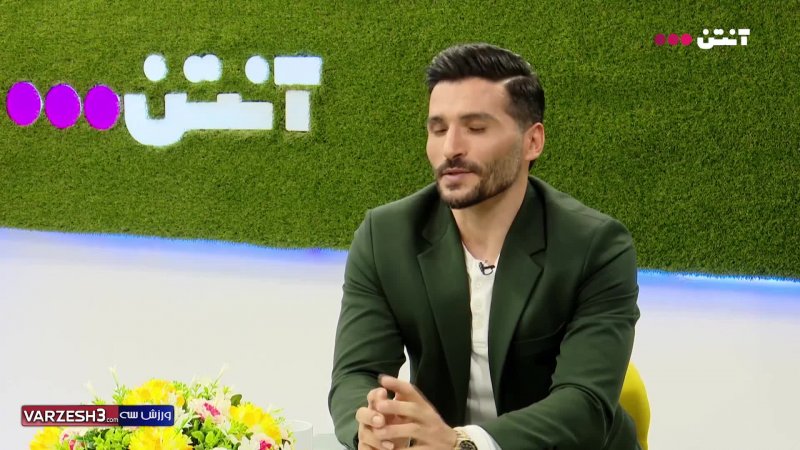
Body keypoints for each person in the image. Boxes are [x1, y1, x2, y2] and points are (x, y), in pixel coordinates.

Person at [328, 43, 641, 450]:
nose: (450, 148)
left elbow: (584, 404)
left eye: (476, 128)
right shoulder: (385, 235)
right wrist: (372, 426)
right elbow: (356, 373)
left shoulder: (595, 245)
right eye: (438, 129)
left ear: (532, 142)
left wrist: (463, 442)